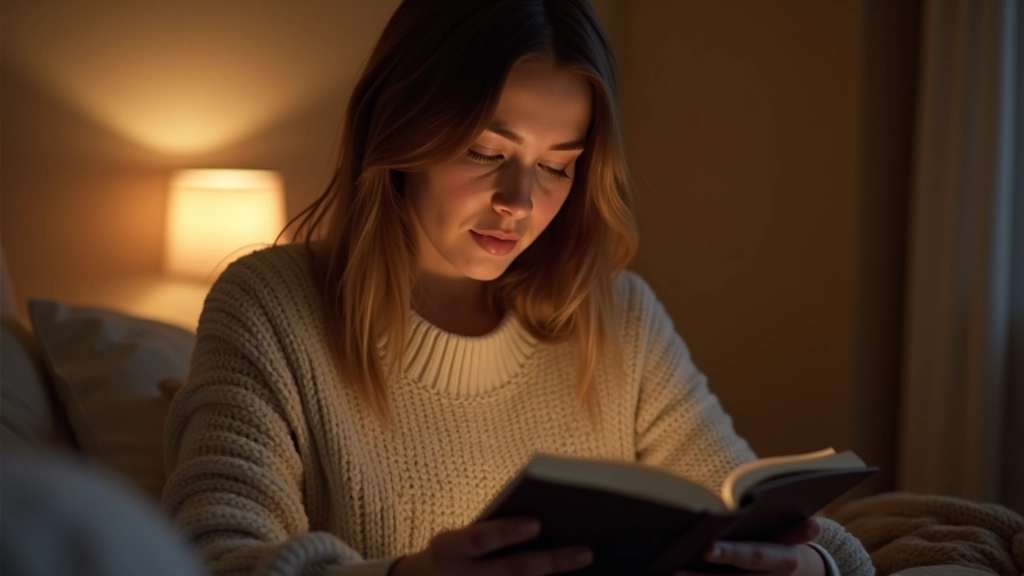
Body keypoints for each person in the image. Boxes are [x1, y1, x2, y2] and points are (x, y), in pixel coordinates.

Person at [161, 1, 874, 575]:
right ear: (401, 126)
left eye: (558, 165)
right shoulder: (270, 306)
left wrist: (811, 561)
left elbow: (750, 506)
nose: (519, 201)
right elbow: (210, 556)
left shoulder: (617, 317)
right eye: (486, 152)